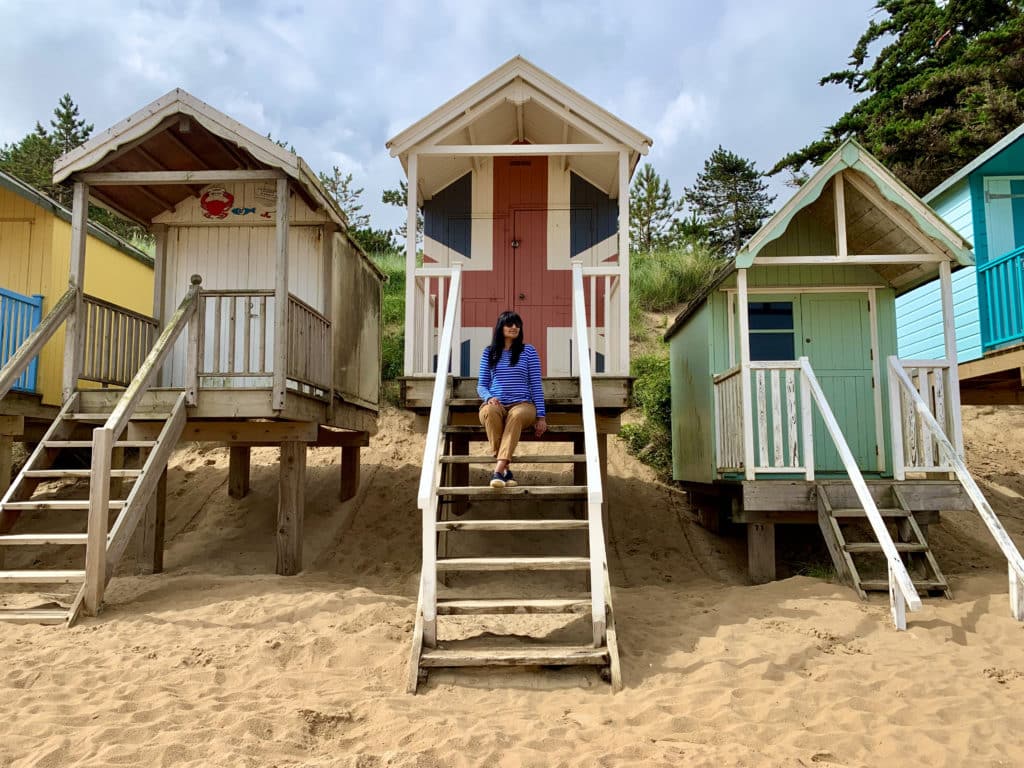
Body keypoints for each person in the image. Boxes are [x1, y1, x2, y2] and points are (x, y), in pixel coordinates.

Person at [477, 311, 547, 489]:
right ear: (501, 328)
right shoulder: (489, 352)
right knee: (488, 411)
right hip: (496, 404)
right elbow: (482, 385)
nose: (514, 327)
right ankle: (506, 472)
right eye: (510, 324)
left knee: (515, 416)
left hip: (523, 405)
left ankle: (498, 470)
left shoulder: (528, 351)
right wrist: (489, 397)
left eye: (517, 324)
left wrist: (541, 417)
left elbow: (536, 385)